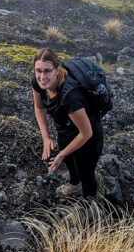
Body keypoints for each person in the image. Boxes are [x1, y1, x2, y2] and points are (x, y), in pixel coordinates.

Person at [32, 47, 104, 198]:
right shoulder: (38, 83)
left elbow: (86, 133)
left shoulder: (70, 96)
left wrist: (61, 154)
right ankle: (74, 184)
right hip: (64, 128)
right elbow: (39, 108)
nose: (42, 76)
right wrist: (46, 138)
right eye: (38, 70)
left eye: (47, 71)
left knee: (86, 171)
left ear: (57, 70)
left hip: (88, 135)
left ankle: (88, 207)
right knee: (70, 161)